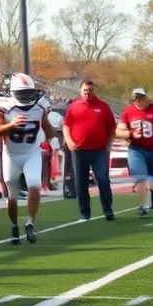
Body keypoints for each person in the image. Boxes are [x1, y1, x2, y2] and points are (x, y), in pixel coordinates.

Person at [0, 74, 59, 241]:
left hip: (31, 153)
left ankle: (30, 223)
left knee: (34, 185)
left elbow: (47, 126)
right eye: (22, 93)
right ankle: (14, 225)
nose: (26, 96)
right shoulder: (5, 107)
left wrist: (53, 141)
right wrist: (11, 125)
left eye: (29, 92)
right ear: (13, 93)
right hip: (11, 155)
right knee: (12, 196)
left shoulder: (40, 107)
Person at [62, 79, 117, 222]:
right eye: (85, 91)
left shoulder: (103, 107)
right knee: (80, 182)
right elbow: (66, 125)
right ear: (81, 91)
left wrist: (109, 143)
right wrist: (68, 139)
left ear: (94, 91)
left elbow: (112, 126)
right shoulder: (74, 107)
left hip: (99, 150)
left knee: (103, 180)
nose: (87, 93)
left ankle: (108, 209)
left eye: (90, 91)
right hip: (79, 150)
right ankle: (84, 213)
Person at [116, 87, 153, 218]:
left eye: (141, 97)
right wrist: (128, 134)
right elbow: (118, 131)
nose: (138, 100)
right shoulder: (128, 111)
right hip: (136, 149)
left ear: (146, 97)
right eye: (136, 98)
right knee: (140, 176)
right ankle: (143, 206)